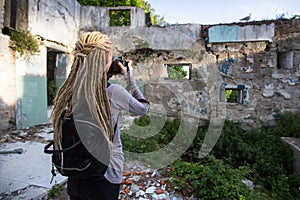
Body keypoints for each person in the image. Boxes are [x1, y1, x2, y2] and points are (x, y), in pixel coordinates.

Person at [51, 31, 150, 200]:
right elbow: (142, 108)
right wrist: (128, 76)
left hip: (77, 171)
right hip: (105, 173)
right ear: (105, 60)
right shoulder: (113, 93)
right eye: (110, 56)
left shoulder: (70, 90)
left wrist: (105, 73)